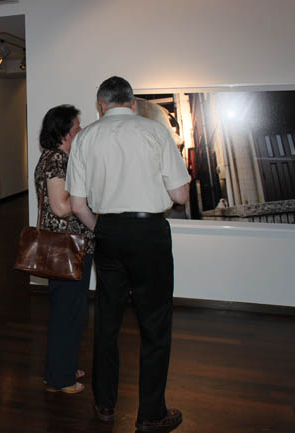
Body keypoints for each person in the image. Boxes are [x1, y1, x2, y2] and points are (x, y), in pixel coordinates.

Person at [65, 76, 190, 431]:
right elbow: (180, 196)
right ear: (133, 103)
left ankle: (105, 405)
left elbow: (77, 204)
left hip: (108, 231)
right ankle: (150, 414)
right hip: (150, 233)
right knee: (155, 325)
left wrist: (101, 229)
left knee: (107, 323)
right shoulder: (155, 132)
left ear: (101, 105)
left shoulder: (86, 137)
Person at [35, 105, 95, 394]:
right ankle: (60, 378)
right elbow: (60, 207)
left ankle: (64, 366)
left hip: (67, 247)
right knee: (67, 313)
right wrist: (86, 191)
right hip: (68, 247)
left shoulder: (52, 158)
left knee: (69, 311)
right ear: (66, 132)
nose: (80, 131)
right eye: (77, 127)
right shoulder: (58, 159)